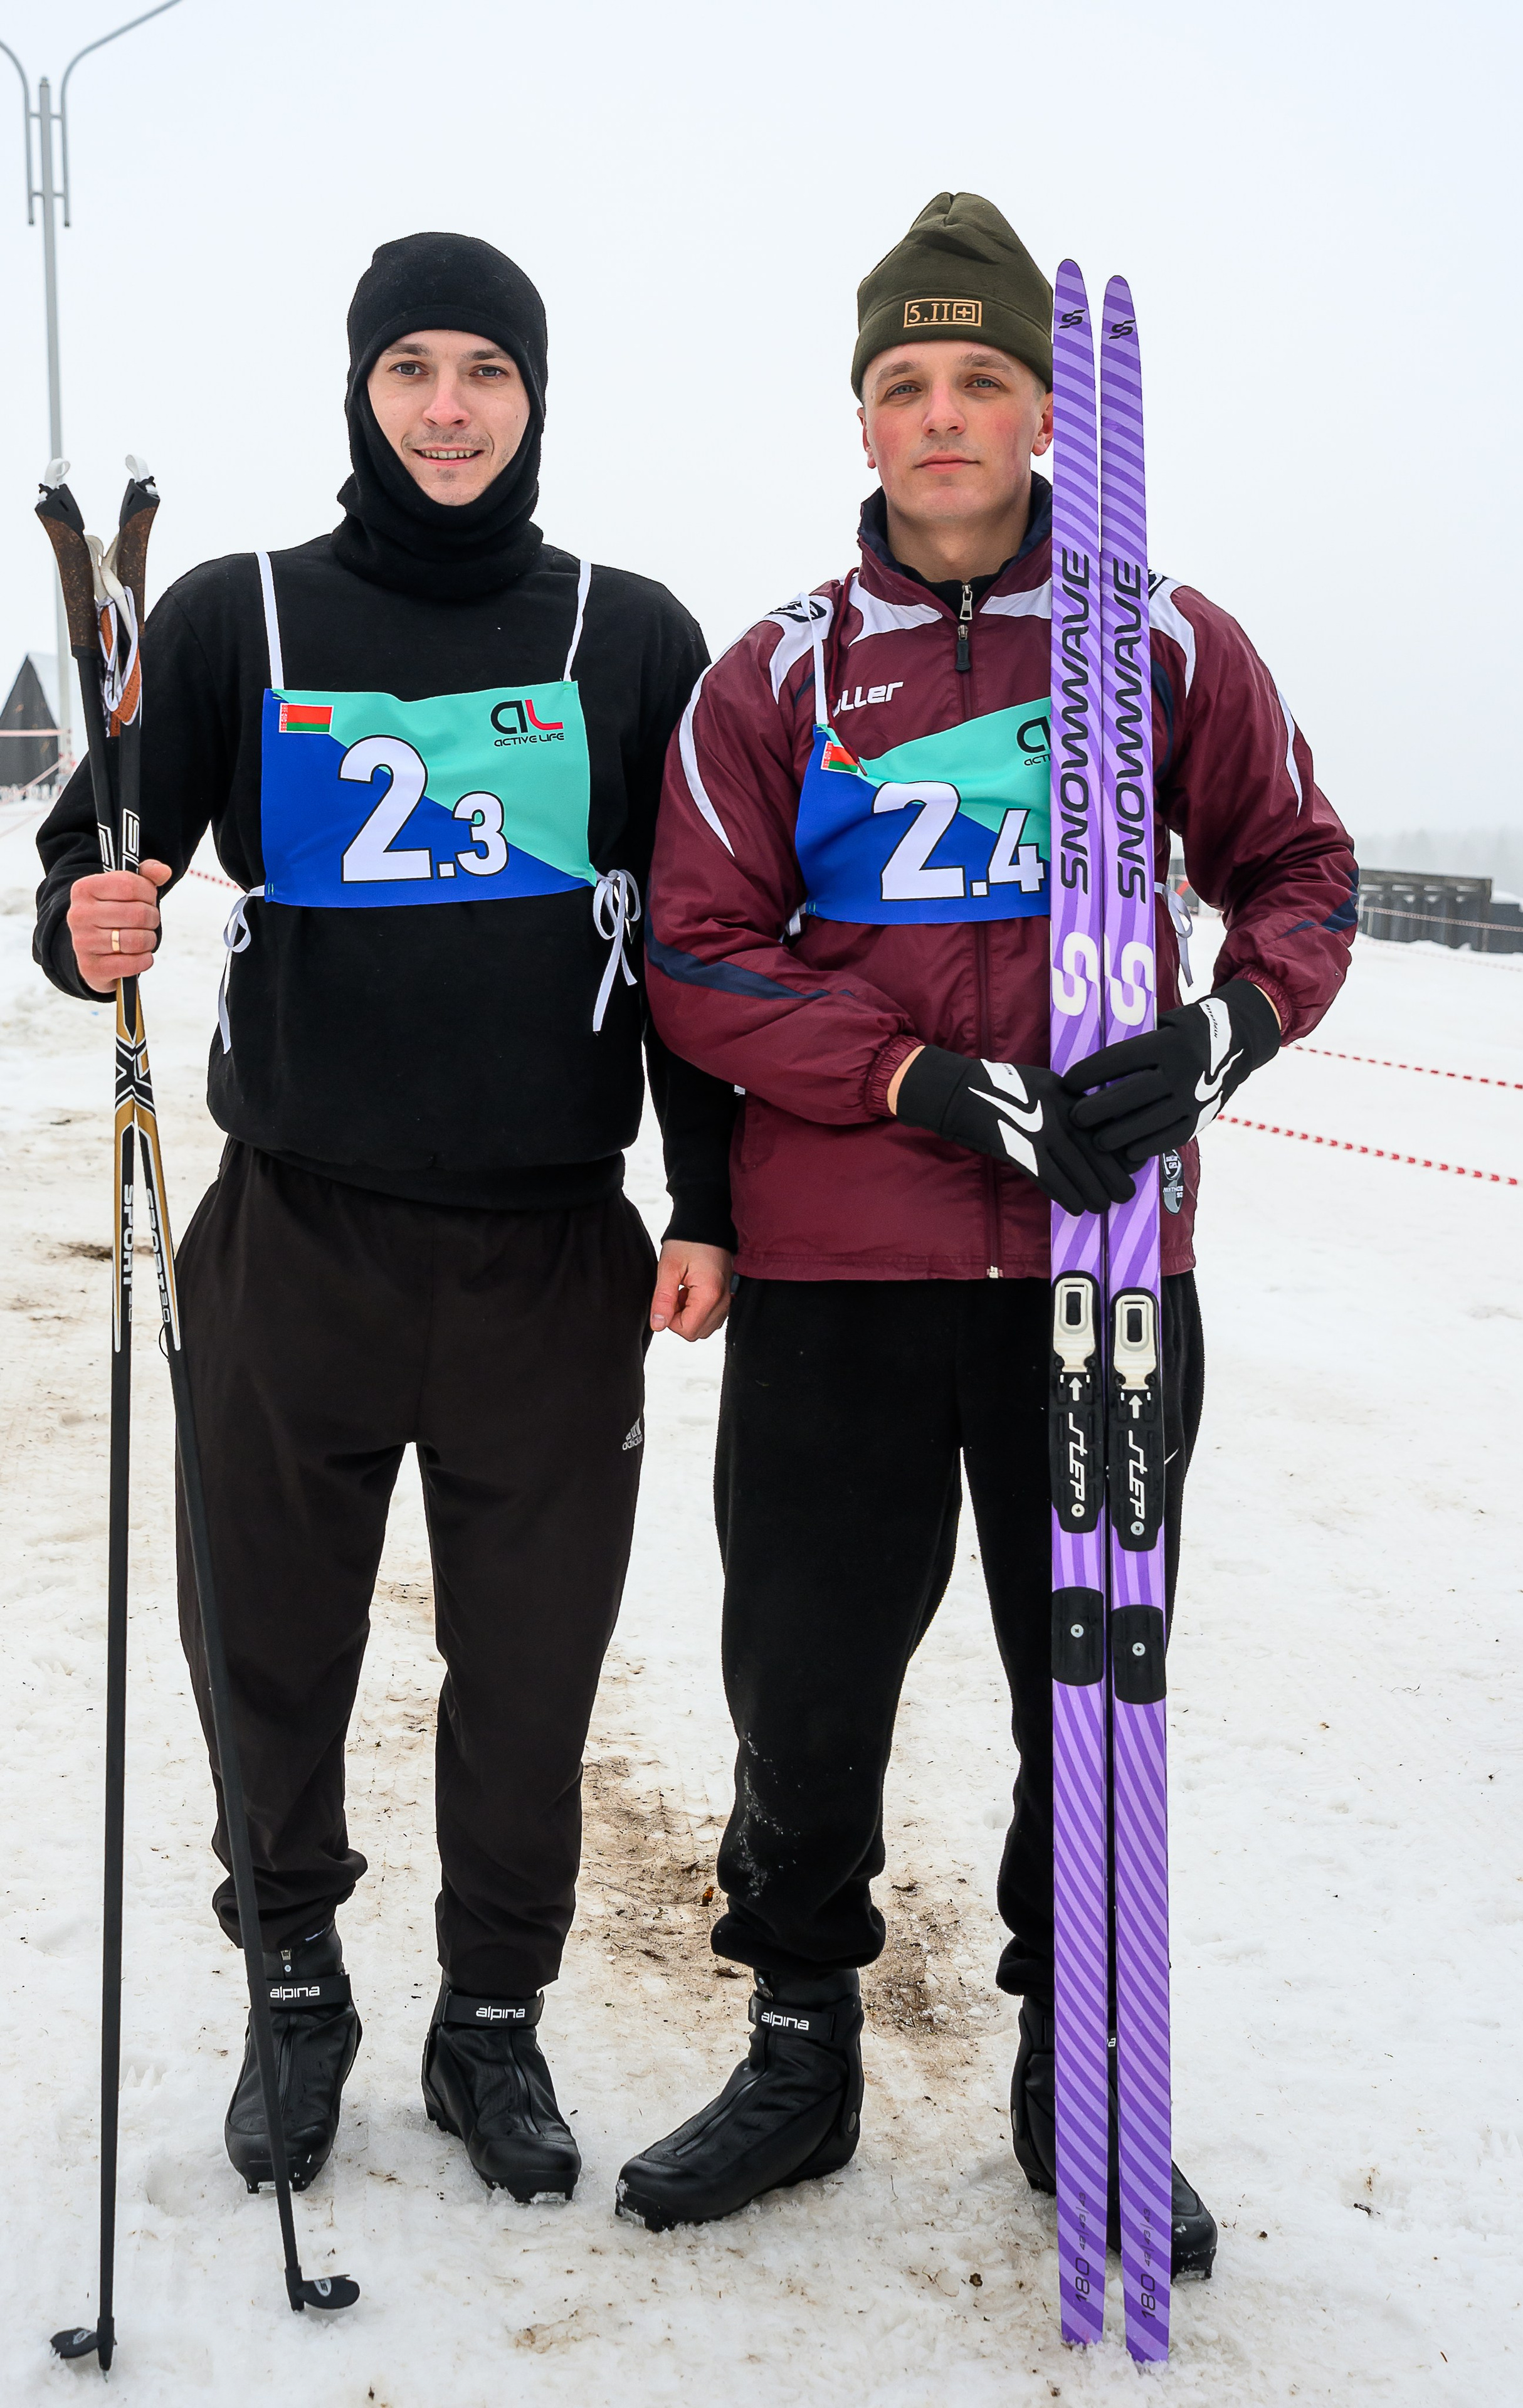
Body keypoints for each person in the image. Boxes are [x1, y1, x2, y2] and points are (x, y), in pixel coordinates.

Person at [623, 193, 1357, 2261]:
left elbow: (1302, 870)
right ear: (860, 420)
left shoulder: (1169, 643)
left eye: (982, 381)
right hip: (845, 1277)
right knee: (807, 1680)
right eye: (904, 384)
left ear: (1046, 411)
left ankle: (1080, 2068)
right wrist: (917, 1080)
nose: (943, 417)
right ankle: (797, 2044)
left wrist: (1218, 1035)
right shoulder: (777, 671)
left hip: (1099, 1283)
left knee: (1087, 1687)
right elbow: (697, 950)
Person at [34, 231, 735, 2205]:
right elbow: (96, 857)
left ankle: (489, 2019)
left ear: (533, 397)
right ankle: (300, 1983)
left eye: (485, 372)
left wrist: (712, 1193)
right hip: (299, 1234)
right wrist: (92, 929)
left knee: (530, 1667)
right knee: (268, 1640)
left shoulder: (629, 630)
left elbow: (690, 947)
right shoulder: (244, 616)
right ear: (363, 387)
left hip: (548, 1253)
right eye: (412, 367)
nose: (447, 406)